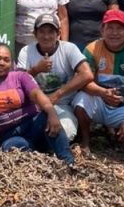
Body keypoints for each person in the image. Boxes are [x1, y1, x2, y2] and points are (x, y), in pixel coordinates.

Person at [0, 43, 75, 165]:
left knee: (48, 118)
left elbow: (37, 95)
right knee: (14, 147)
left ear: (12, 63)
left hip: (34, 125)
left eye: (6, 60)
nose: (1, 63)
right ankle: (39, 154)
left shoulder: (21, 77)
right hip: (8, 136)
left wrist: (52, 113)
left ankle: (69, 163)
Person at [72, 10, 124, 155]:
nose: (114, 33)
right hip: (100, 100)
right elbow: (83, 82)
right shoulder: (92, 49)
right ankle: (85, 140)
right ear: (102, 30)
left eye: (120, 28)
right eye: (109, 28)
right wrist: (103, 93)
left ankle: (119, 135)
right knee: (80, 102)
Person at [17, 14, 94, 142]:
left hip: (62, 104)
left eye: (51, 32)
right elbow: (17, 81)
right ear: (34, 33)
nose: (46, 36)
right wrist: (36, 70)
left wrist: (58, 94)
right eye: (41, 32)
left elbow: (87, 74)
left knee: (65, 133)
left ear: (58, 33)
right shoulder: (26, 50)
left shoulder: (69, 48)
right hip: (35, 105)